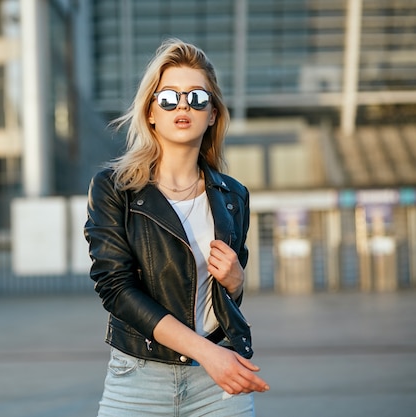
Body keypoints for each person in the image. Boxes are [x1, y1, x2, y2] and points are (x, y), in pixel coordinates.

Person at [84, 38, 270, 416]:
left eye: (197, 98)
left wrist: (237, 282)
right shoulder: (115, 188)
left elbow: (218, 295)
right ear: (151, 111)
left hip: (217, 383)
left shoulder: (233, 196)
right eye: (169, 97)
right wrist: (207, 354)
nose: (183, 106)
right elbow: (116, 289)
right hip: (138, 378)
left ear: (213, 114)